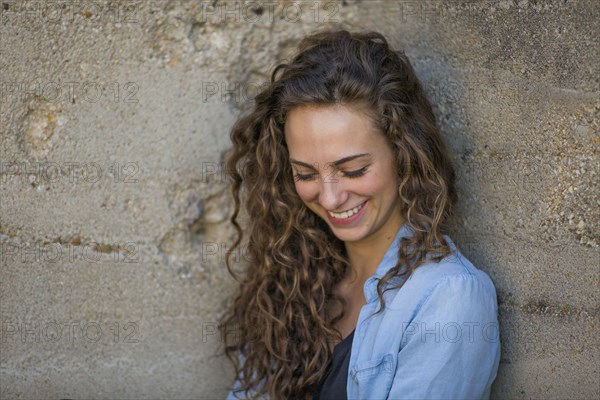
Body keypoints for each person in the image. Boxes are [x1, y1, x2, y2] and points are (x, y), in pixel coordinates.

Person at [219, 29, 500, 399]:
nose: (331, 198)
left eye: (353, 170)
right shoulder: (296, 278)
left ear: (405, 154)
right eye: (305, 174)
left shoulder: (449, 297)